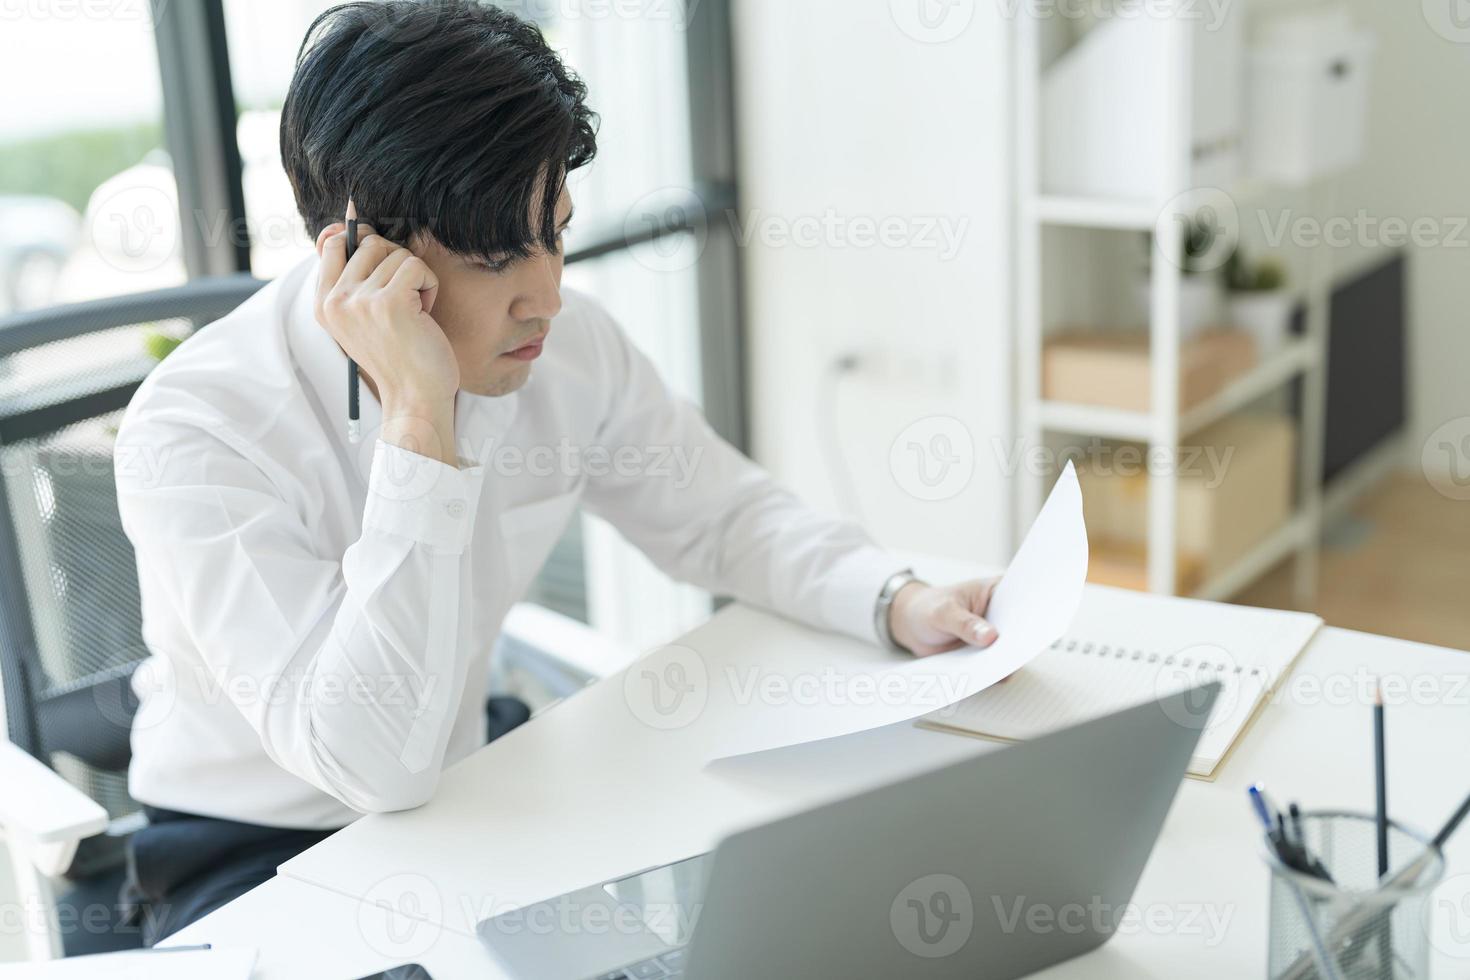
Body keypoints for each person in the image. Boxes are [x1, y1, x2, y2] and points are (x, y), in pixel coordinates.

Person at [114, 0, 999, 943]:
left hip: (471, 794)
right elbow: (369, 763)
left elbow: (719, 517)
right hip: (253, 851)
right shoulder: (199, 431)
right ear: (357, 255)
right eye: (499, 255)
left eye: (557, 233)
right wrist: (421, 416)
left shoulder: (560, 349)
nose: (548, 292)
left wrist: (893, 598)